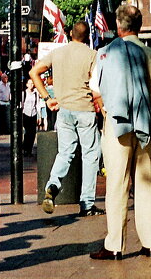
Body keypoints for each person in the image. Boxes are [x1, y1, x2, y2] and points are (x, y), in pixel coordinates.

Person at [89, 4, 151, 260]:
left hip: (116, 124)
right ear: (140, 26)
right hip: (147, 122)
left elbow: (96, 92)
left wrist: (106, 110)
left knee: (117, 184)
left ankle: (115, 245)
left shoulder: (104, 54)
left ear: (118, 27)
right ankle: (150, 242)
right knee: (147, 183)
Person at [30, 20, 103, 217]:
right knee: (90, 156)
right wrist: (103, 111)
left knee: (65, 153)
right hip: (85, 109)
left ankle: (53, 184)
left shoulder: (58, 53)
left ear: (71, 34)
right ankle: (87, 203)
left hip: (63, 109)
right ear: (87, 36)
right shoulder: (92, 56)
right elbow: (96, 89)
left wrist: (47, 98)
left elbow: (33, 72)